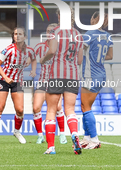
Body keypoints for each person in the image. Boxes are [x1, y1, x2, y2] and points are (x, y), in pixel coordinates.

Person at [41, 8, 84, 155]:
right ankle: (74, 134)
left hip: (56, 74)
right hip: (73, 75)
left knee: (51, 109)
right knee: (70, 109)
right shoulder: (78, 35)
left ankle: (51, 147)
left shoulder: (55, 31)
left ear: (59, 16)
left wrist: (43, 59)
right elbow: (79, 60)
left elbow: (52, 51)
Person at [0, 27, 37, 145]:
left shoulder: (29, 50)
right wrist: (6, 77)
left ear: (25, 37)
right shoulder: (8, 50)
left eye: (20, 34)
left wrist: (33, 69)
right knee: (0, 107)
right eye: (15, 34)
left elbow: (34, 59)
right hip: (3, 80)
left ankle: (16, 131)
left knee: (20, 110)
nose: (17, 36)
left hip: (18, 81)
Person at [80, 12, 113, 149]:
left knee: (85, 106)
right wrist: (96, 57)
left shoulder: (89, 34)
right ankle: (87, 138)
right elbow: (110, 56)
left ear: (93, 19)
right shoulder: (107, 36)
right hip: (101, 74)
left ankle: (94, 139)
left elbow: (80, 52)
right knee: (86, 106)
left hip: (90, 74)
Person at [33, 23, 67, 145]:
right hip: (42, 81)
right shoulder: (40, 46)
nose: (50, 33)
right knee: (36, 107)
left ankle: (62, 134)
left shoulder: (61, 47)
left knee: (58, 107)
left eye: (52, 31)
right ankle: (40, 135)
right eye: (48, 31)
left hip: (55, 81)